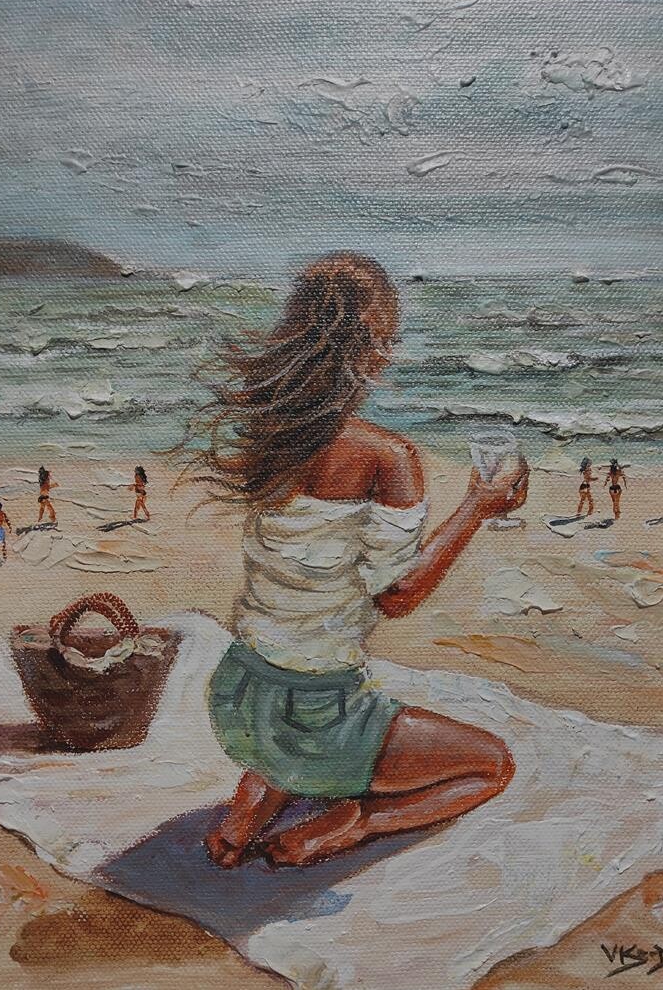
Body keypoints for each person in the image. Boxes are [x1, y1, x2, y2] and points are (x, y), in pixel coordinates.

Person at [185, 252, 527, 869]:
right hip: (319, 715)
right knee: (492, 765)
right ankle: (354, 823)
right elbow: (398, 596)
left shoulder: (273, 436)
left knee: (294, 697)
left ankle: (245, 817)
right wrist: (477, 507)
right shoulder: (386, 456)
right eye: (387, 339)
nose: (390, 353)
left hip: (238, 695)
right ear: (369, 348)